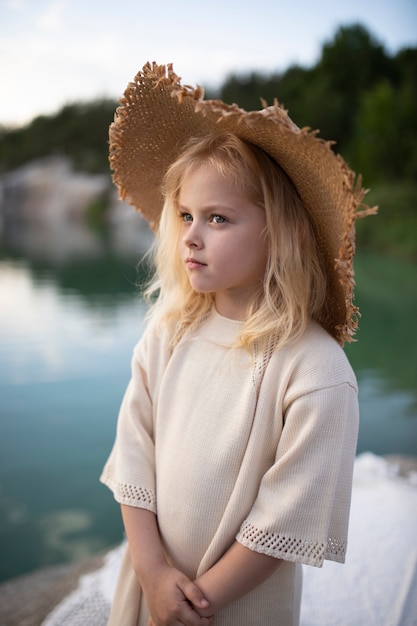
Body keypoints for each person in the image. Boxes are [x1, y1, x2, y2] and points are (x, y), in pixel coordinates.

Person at [100, 61, 377, 626]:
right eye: (184, 216)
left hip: (237, 606)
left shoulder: (314, 369)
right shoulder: (168, 332)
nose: (190, 237)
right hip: (151, 585)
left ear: (281, 232)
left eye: (218, 218)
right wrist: (153, 573)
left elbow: (286, 518)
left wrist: (197, 603)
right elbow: (135, 452)